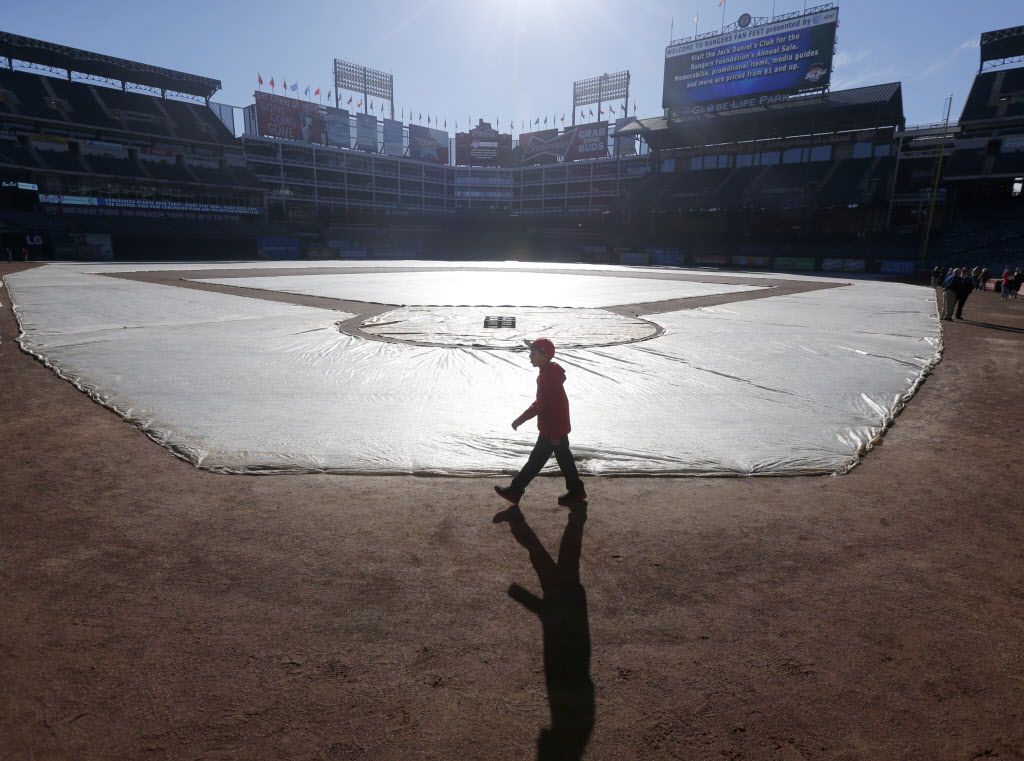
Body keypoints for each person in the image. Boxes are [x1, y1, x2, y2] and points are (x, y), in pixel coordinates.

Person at [495, 337, 586, 508]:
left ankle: (515, 490)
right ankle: (576, 491)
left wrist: (520, 420)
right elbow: (552, 404)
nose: (530, 356)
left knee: (535, 462)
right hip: (556, 429)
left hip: (552, 430)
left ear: (545, 356)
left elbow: (543, 406)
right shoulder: (550, 372)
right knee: (563, 461)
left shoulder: (547, 378)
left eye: (533, 352)